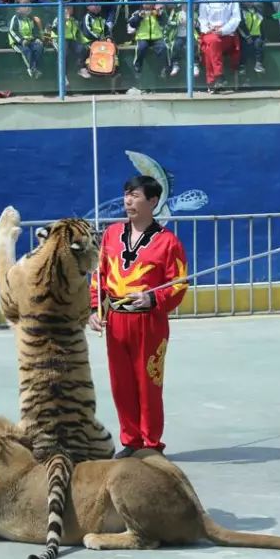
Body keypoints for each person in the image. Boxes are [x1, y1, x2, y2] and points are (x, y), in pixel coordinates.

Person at [89, 175, 188, 458]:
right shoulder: (110, 235)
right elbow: (99, 276)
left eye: (135, 195)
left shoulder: (168, 243)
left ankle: (151, 443)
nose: (128, 201)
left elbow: (178, 283)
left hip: (149, 321)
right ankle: (130, 440)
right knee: (121, 383)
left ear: (153, 201)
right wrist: (94, 309)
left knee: (148, 383)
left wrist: (153, 297)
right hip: (117, 320)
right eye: (126, 195)